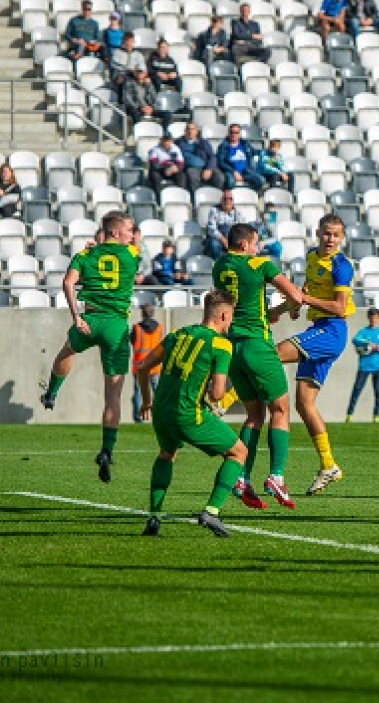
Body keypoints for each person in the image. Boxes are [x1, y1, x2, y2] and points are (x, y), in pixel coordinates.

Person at [138, 289, 249, 537]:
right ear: (222, 315)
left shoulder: (176, 335)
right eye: (230, 317)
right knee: (239, 452)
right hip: (187, 414)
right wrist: (212, 395)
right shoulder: (221, 344)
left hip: (161, 411)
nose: (230, 323)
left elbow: (143, 368)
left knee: (167, 454)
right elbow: (218, 393)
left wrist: (146, 401)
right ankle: (212, 511)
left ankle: (154, 517)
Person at [40, 211, 140, 484]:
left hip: (89, 319)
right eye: (129, 230)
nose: (132, 234)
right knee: (113, 395)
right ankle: (107, 450)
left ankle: (51, 393)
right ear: (117, 232)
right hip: (117, 326)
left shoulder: (85, 255)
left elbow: (67, 283)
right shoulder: (131, 254)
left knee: (66, 352)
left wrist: (76, 316)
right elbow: (134, 247)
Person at [212, 223, 303, 509]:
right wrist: (293, 305)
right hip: (257, 344)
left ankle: (242, 476)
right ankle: (276, 475)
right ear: (244, 245)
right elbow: (297, 297)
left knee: (253, 415)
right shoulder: (261, 265)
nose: (257, 248)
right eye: (255, 243)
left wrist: (272, 311)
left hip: (233, 347)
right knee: (280, 409)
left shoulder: (219, 266)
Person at [276, 214, 355, 496]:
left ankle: (224, 400)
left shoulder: (342, 266)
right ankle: (328, 464)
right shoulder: (311, 258)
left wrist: (304, 300)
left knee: (272, 356)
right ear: (317, 233)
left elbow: (340, 308)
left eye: (335, 235)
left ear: (342, 238)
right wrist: (289, 308)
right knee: (304, 403)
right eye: (326, 234)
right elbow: (306, 289)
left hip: (332, 330)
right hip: (319, 327)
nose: (330, 239)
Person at [345, 308, 379, 423]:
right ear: (368, 318)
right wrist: (367, 343)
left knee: (378, 392)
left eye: (375, 317)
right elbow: (355, 340)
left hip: (378, 367)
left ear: (378, 318)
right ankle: (349, 415)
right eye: (371, 317)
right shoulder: (363, 332)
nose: (373, 319)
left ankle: (376, 416)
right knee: (357, 390)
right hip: (364, 366)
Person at [130, 303, 163, 423]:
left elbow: (132, 341)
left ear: (142, 313)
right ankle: (159, 416)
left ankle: (139, 418)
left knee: (138, 392)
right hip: (155, 365)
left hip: (140, 365)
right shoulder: (159, 328)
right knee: (158, 393)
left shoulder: (136, 328)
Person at [177, 122, 223, 191]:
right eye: (188, 129)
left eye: (193, 129)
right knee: (192, 177)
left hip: (206, 166)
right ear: (185, 131)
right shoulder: (179, 143)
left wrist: (209, 169)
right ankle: (194, 199)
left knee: (219, 178)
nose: (190, 131)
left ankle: (218, 198)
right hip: (191, 167)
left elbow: (212, 156)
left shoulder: (203, 142)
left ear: (197, 131)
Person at [217, 125, 262, 190]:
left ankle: (249, 195)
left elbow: (254, 152)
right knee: (230, 182)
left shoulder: (245, 144)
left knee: (261, 180)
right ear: (228, 133)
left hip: (246, 171)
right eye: (232, 132)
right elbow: (221, 162)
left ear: (240, 134)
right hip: (231, 172)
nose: (234, 134)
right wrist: (233, 172)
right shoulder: (223, 146)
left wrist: (267, 152)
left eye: (236, 132)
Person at [206, 189, 247, 258]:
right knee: (214, 245)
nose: (227, 201)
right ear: (221, 201)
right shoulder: (214, 211)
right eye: (225, 199)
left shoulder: (238, 213)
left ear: (233, 201)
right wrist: (224, 240)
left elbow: (242, 228)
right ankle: (219, 265)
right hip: (218, 239)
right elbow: (211, 229)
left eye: (230, 199)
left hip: (233, 239)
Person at [110, 31, 146, 99]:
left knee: (147, 81)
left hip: (134, 74)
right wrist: (131, 70)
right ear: (123, 42)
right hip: (120, 73)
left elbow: (141, 66)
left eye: (131, 41)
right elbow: (116, 65)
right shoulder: (117, 53)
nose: (129, 43)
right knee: (124, 80)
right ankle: (122, 102)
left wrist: (140, 73)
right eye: (127, 41)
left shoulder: (138, 54)